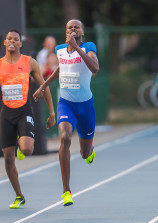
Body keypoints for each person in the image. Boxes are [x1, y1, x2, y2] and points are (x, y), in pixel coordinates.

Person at [34, 19, 99, 207]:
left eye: (76, 27)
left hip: (86, 105)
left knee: (85, 154)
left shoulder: (88, 47)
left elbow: (95, 68)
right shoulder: (60, 49)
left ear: (82, 32)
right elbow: (61, 68)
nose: (72, 29)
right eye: (69, 27)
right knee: (65, 137)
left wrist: (77, 48)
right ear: (65, 31)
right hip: (66, 103)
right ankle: (66, 191)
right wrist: (43, 85)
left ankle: (89, 149)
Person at [0, 29, 56, 209]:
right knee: (8, 160)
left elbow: (45, 86)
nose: (12, 42)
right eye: (9, 39)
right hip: (6, 115)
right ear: (4, 42)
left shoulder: (29, 63)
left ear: (20, 44)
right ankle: (19, 195)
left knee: (27, 149)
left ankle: (21, 144)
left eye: (16, 39)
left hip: (24, 112)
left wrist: (52, 113)